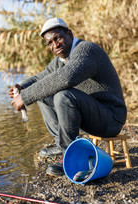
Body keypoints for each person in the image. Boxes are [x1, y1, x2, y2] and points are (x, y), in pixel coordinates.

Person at [9, 17, 127, 177]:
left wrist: (25, 97)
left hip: (111, 119)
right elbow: (39, 79)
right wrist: (21, 87)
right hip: (92, 116)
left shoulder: (87, 50)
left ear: (69, 34)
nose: (55, 45)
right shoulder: (60, 60)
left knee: (64, 95)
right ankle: (62, 144)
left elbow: (67, 77)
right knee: (43, 92)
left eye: (58, 38)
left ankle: (68, 153)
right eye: (49, 43)